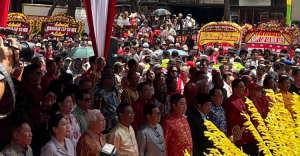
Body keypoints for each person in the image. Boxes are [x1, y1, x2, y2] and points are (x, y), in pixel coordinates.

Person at [223, 79, 256, 155]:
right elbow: (228, 119)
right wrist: (230, 134)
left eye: (243, 87)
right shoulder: (230, 102)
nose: (243, 89)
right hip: (238, 137)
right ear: (235, 89)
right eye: (241, 87)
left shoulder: (243, 99)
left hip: (247, 134)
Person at [94, 69, 119, 133]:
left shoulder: (114, 90)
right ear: (104, 80)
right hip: (106, 128)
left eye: (113, 77)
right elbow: (97, 111)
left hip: (116, 125)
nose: (112, 79)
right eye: (110, 78)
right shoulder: (99, 93)